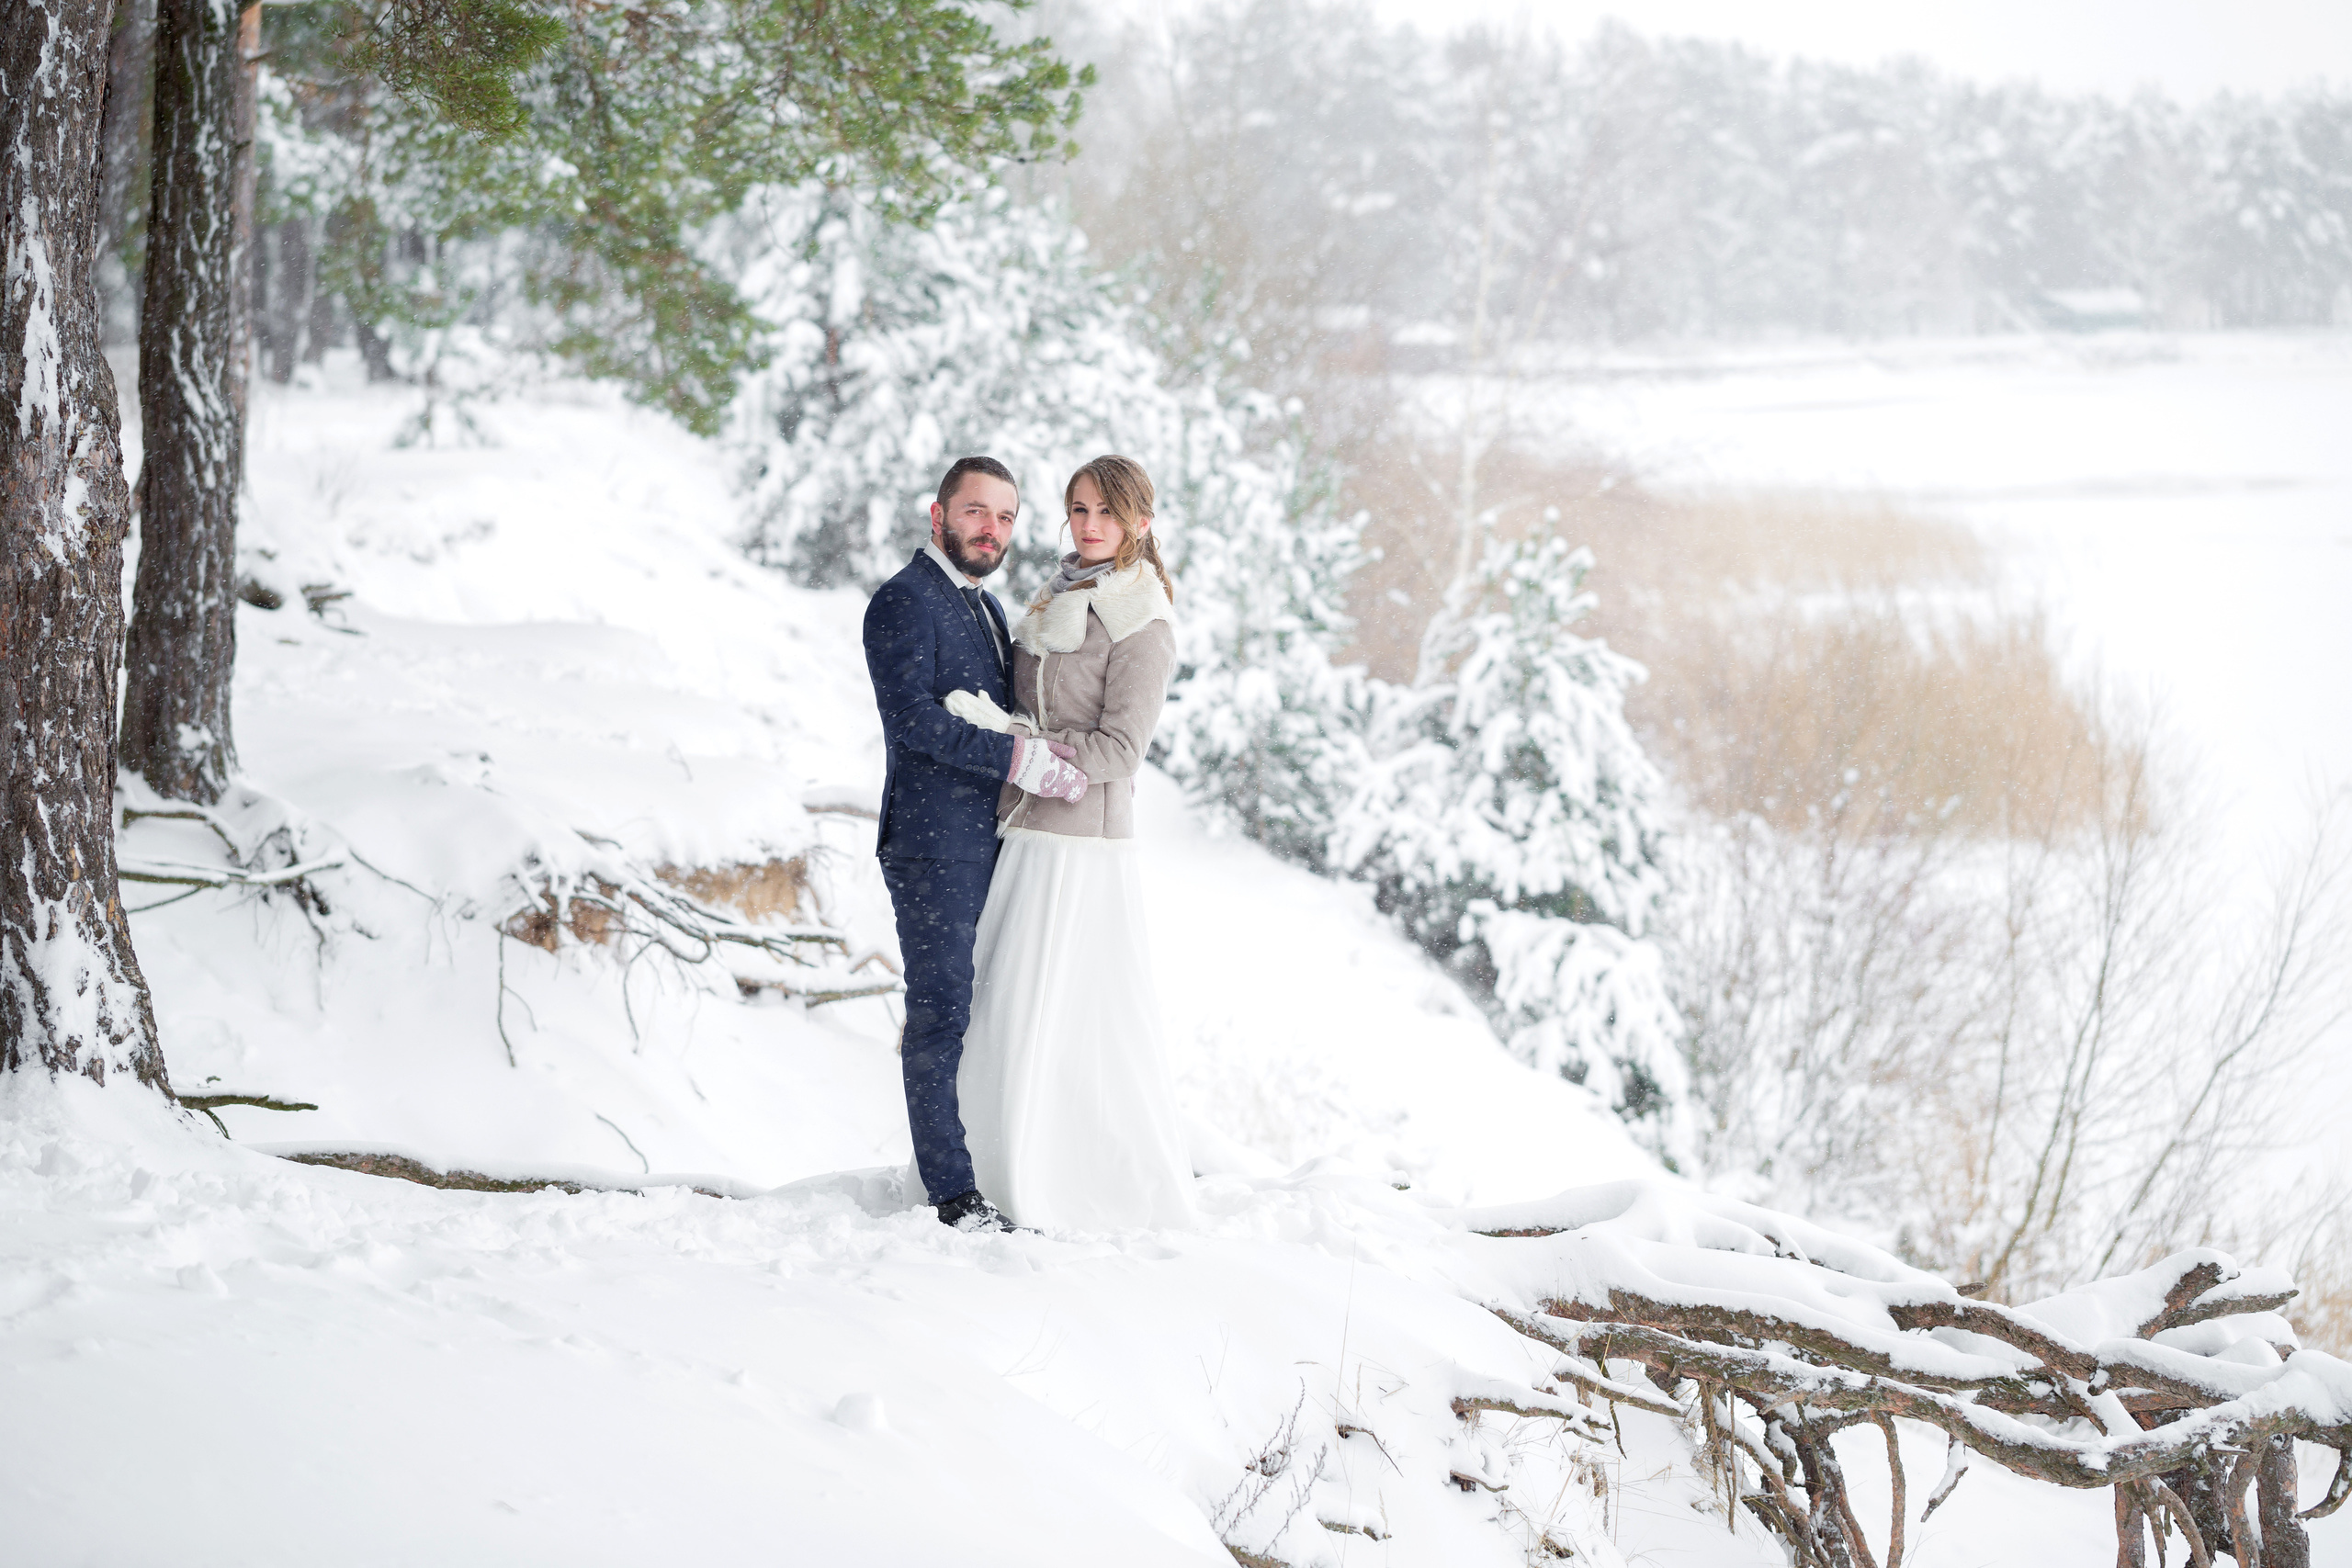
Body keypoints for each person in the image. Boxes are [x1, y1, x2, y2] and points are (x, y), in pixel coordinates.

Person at [944, 454, 1198, 1232]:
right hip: (1026, 828)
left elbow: (1121, 750)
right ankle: (985, 1164)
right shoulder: (1059, 593)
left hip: (1081, 848)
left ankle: (1064, 1178)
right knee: (1004, 1008)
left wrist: (1026, 746)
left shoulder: (1143, 621)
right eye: (1079, 509)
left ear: (1140, 524)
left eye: (1107, 514)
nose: (1089, 526)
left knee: (1061, 1015)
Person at [862, 457, 1090, 1233]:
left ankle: (995, 1164)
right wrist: (1017, 758)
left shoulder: (988, 609)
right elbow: (915, 725)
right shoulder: (902, 601)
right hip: (931, 844)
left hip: (991, 839)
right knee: (942, 1010)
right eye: (975, 512)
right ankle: (951, 1193)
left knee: (997, 1011)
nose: (990, 529)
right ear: (938, 515)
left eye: (1003, 517)